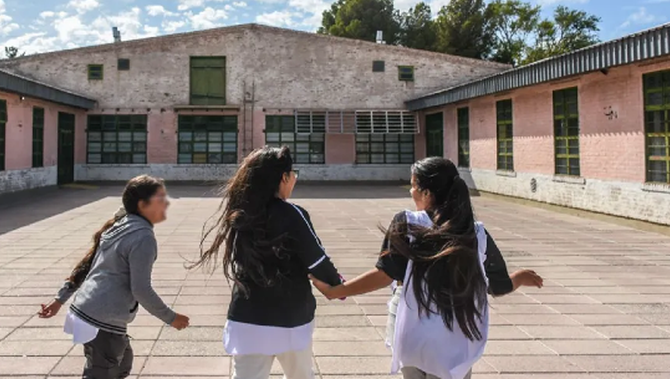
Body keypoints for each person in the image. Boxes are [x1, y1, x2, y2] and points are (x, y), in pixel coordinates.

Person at [309, 157, 543, 379]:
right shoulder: (476, 233)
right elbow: (496, 284)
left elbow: (385, 275)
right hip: (457, 335)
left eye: (413, 186)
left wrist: (336, 291)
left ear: (426, 193)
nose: (411, 192)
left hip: (414, 332)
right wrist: (519, 278)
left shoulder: (407, 222)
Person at [189, 146, 343, 379]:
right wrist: (338, 286)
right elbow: (316, 259)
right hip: (290, 317)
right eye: (293, 174)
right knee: (300, 375)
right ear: (283, 178)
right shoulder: (292, 213)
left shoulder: (241, 213)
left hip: (247, 317)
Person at [38, 175, 190, 379]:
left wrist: (59, 300)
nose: (166, 203)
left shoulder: (122, 223)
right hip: (101, 319)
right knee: (104, 372)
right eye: (160, 198)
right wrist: (171, 318)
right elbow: (141, 289)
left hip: (88, 311)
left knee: (122, 366)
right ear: (142, 205)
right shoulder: (142, 237)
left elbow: (88, 264)